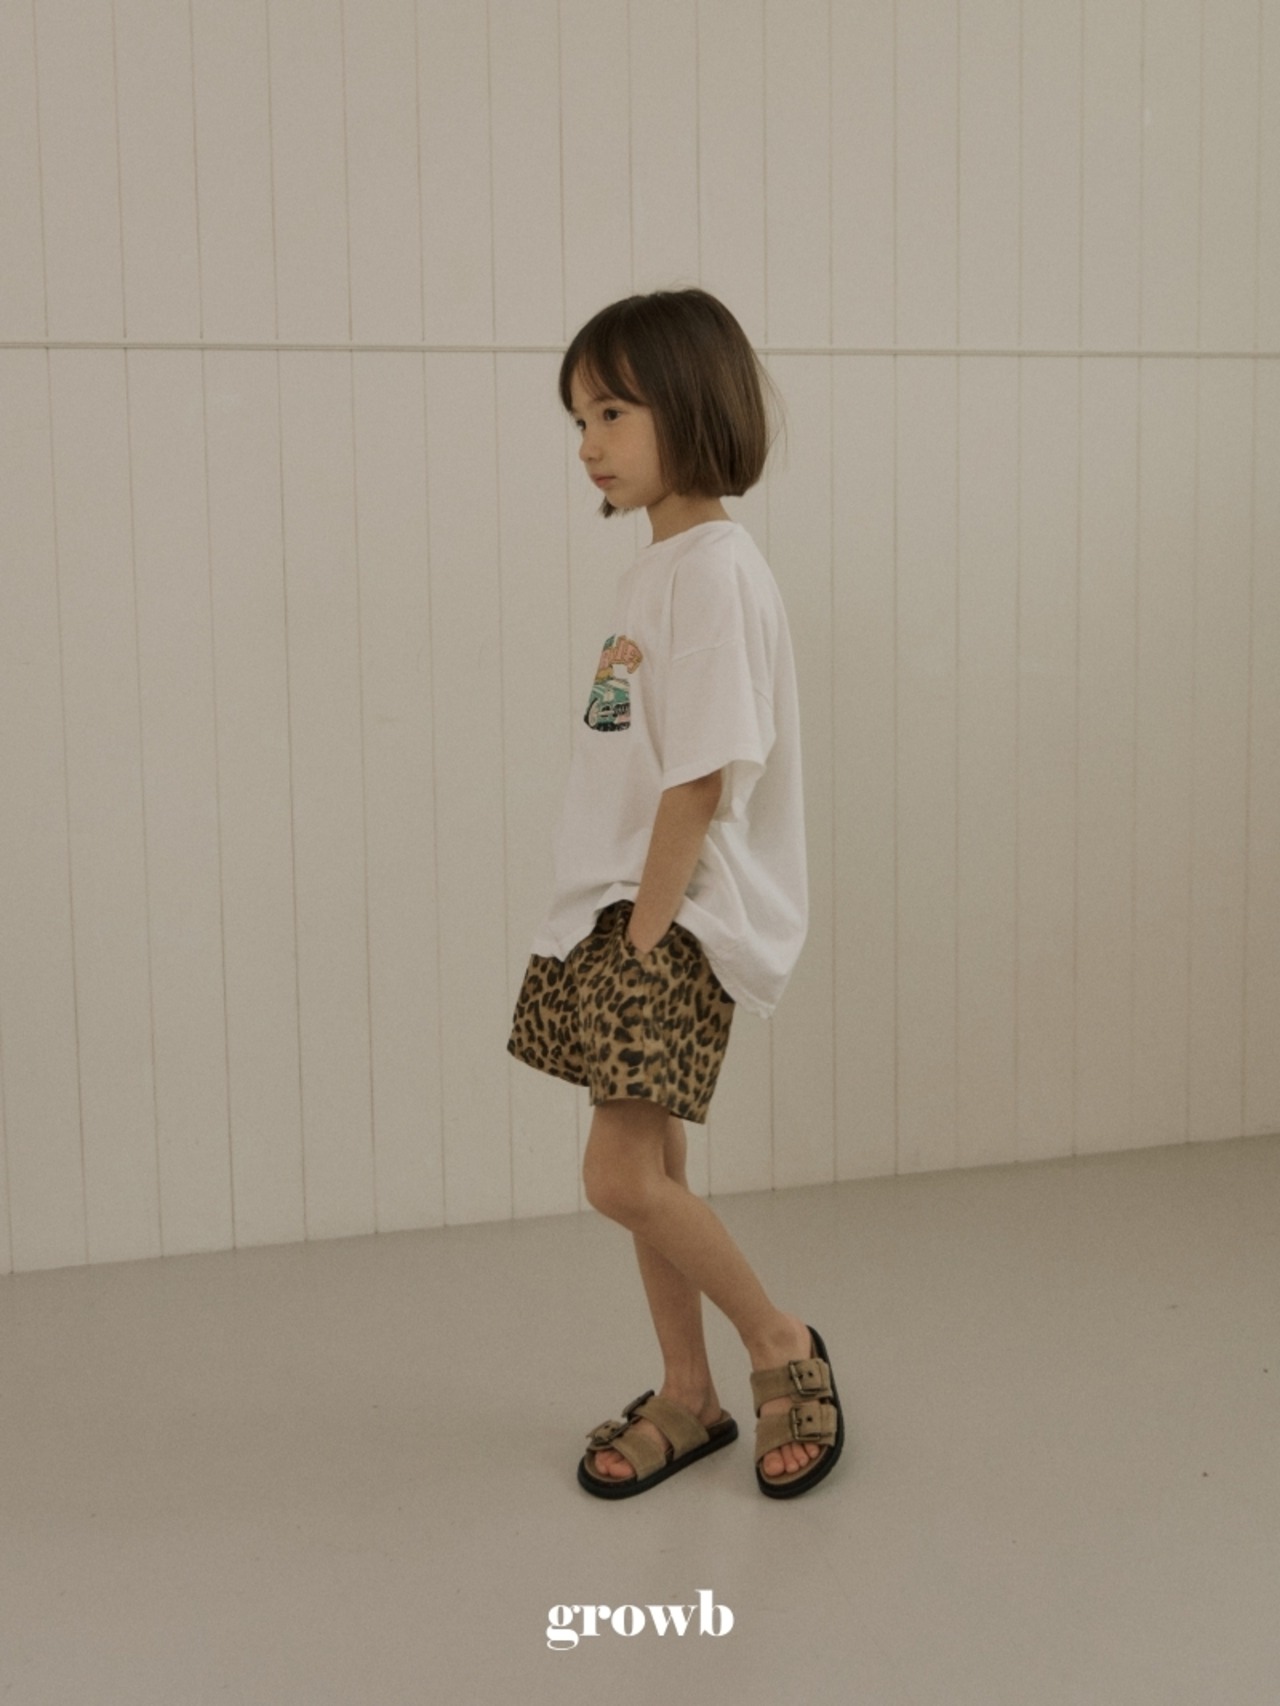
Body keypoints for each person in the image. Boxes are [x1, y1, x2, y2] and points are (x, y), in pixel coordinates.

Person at [508, 288, 843, 1500]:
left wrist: (645, 936)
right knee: (652, 1169)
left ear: (690, 407)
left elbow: (700, 774)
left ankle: (777, 1341)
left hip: (671, 915)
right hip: (623, 907)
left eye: (612, 410)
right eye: (578, 417)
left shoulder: (711, 573)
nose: (587, 442)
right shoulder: (660, 568)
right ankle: (687, 1391)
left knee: (617, 1177)